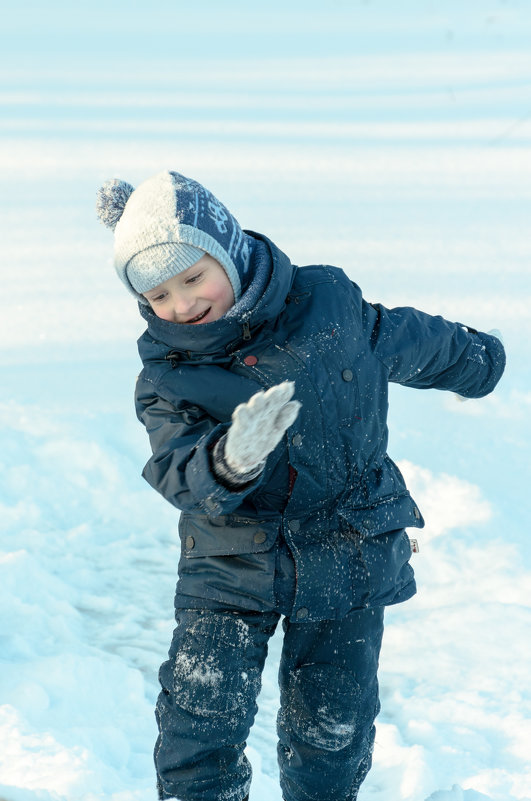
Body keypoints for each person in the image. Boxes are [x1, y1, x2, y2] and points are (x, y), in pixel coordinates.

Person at [96, 170, 506, 801]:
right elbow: (178, 470)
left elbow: (403, 336)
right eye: (157, 295)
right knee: (199, 722)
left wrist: (478, 363)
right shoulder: (168, 378)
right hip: (230, 560)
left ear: (227, 249)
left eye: (192, 277)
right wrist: (230, 458)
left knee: (331, 729)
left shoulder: (327, 305)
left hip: (348, 543)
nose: (181, 304)